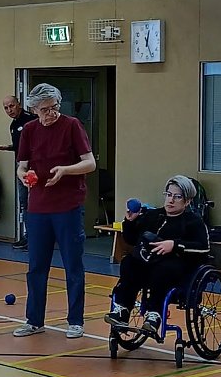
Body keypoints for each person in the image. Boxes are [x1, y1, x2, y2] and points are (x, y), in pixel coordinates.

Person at [13, 83, 96, 339]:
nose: (51, 113)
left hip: (67, 206)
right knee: (36, 266)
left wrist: (65, 170)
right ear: (34, 110)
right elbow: (21, 166)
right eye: (45, 109)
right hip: (38, 208)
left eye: (55, 107)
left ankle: (75, 320)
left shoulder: (71, 125)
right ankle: (34, 319)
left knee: (73, 264)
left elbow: (90, 163)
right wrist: (24, 176)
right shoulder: (28, 130)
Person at [104, 176, 210, 337]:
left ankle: (154, 314)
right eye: (168, 195)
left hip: (177, 268)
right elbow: (131, 239)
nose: (171, 200)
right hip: (148, 263)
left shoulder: (193, 222)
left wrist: (174, 245)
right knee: (129, 263)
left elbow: (203, 248)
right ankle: (123, 310)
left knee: (163, 269)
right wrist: (130, 222)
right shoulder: (153, 216)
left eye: (177, 196)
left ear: (187, 201)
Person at [0, 95, 36, 249]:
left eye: (11, 106)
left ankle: (36, 237)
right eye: (6, 108)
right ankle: (28, 236)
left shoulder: (30, 120)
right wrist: (9, 147)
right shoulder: (13, 125)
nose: (9, 110)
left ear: (18, 104)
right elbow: (20, 146)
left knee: (34, 202)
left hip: (34, 167)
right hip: (21, 167)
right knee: (24, 201)